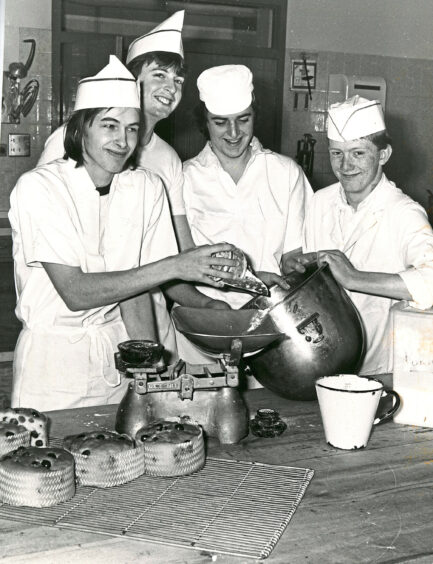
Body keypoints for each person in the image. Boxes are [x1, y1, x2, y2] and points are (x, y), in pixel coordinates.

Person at [8, 56, 238, 411]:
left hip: (120, 362)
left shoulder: (145, 187)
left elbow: (135, 289)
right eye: (110, 126)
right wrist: (176, 266)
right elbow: (75, 292)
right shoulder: (39, 187)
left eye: (132, 128)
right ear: (81, 127)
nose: (123, 140)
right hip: (53, 368)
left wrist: (151, 369)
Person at [37, 11, 193, 361]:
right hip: (77, 321)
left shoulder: (167, 160)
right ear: (130, 80)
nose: (171, 88)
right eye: (159, 75)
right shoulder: (69, 141)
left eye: (179, 81)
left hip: (147, 315)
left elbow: (179, 250)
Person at [177, 64, 313, 362]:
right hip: (203, 331)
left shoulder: (285, 173)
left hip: (271, 329)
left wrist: (298, 265)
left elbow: (294, 254)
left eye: (243, 119)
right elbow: (173, 271)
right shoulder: (182, 179)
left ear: (255, 116)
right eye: (221, 122)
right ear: (205, 122)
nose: (234, 132)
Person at [301, 95, 433, 375]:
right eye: (337, 153)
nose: (346, 165)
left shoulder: (404, 213)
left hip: (376, 368)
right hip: (322, 362)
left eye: (358, 153)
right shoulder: (319, 202)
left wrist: (354, 278)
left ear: (383, 154)